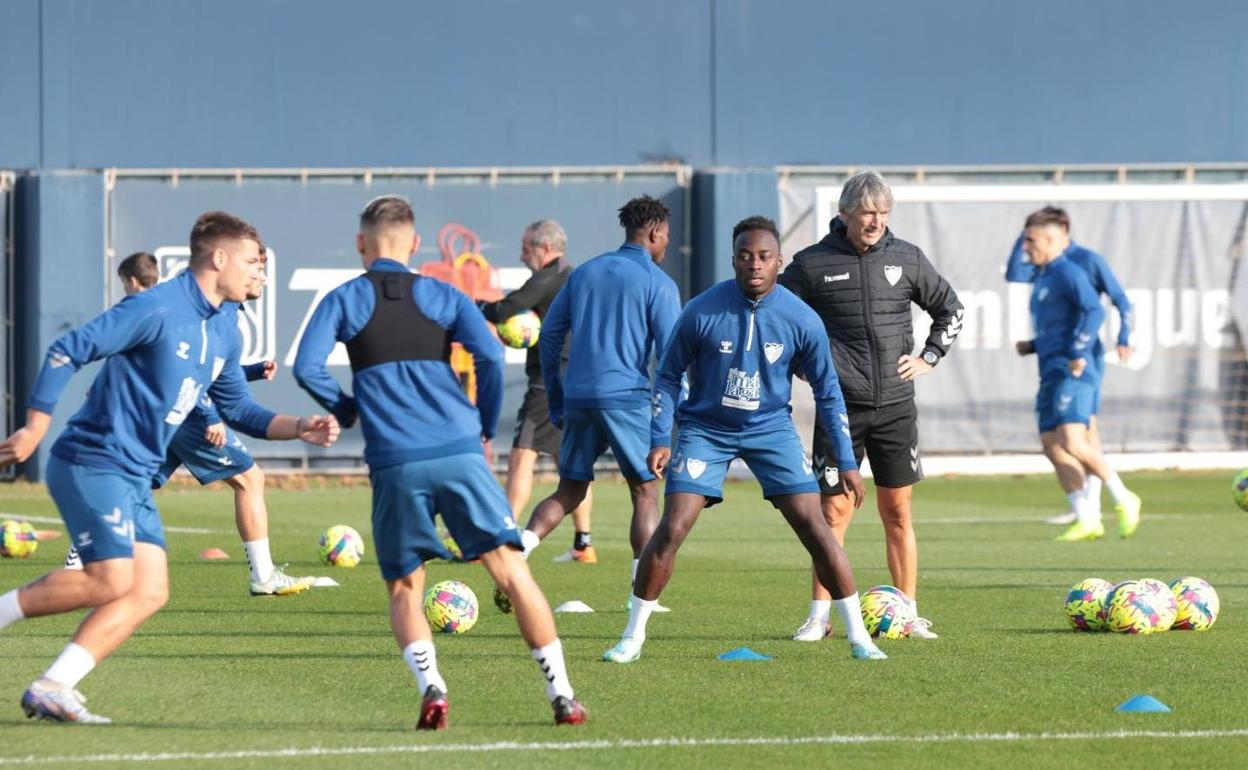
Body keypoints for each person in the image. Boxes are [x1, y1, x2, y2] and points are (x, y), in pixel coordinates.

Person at [0, 212, 340, 724]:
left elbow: (241, 411)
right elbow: (67, 350)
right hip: (94, 459)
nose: (260, 275)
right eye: (252, 263)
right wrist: (34, 427)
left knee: (150, 590)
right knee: (108, 580)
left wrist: (301, 426)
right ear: (218, 258)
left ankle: (53, 685)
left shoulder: (226, 329)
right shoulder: (157, 306)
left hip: (134, 474)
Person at [293, 195, 586, 728]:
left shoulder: (343, 300)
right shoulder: (441, 294)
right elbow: (490, 359)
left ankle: (432, 687)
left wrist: (348, 409)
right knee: (512, 574)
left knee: (407, 587)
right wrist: (480, 427)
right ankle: (562, 694)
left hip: (395, 461)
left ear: (361, 243)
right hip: (457, 451)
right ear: (415, 245)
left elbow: (306, 368)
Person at [602, 215, 884, 664]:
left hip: (770, 429)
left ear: (779, 262)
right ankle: (632, 637)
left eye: (765, 257)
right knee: (672, 527)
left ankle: (859, 638)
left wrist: (847, 461)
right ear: (733, 259)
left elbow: (829, 393)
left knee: (817, 529)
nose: (755, 264)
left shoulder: (801, 319)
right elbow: (668, 376)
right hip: (706, 430)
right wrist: (661, 437)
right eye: (746, 256)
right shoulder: (702, 310)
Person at [779, 171, 964, 641]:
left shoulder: (907, 258)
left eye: (884, 212)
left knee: (898, 512)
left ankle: (910, 613)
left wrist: (928, 357)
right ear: (844, 214)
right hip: (840, 410)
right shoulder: (811, 264)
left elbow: (952, 309)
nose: (877, 221)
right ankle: (819, 617)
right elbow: (779, 321)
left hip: (897, 408)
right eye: (868, 212)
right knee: (833, 516)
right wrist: (808, 369)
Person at [64, 251, 313, 597]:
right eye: (258, 269)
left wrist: (253, 372)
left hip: (169, 413)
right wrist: (209, 414)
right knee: (250, 479)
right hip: (189, 415)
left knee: (138, 484)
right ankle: (264, 575)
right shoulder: (211, 312)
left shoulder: (220, 312)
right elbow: (185, 369)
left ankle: (81, 553)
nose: (263, 278)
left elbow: (209, 373)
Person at [496, 195, 681, 614]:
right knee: (646, 492)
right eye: (666, 236)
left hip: (578, 398)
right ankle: (643, 595)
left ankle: (519, 552)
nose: (666, 243)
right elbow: (670, 361)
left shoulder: (584, 274)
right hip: (627, 399)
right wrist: (664, 428)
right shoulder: (658, 283)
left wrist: (559, 397)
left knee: (569, 490)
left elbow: (549, 335)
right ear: (653, 233)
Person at [1014, 209, 1142, 541]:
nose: (1024, 246)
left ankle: (1124, 496)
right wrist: (1033, 345)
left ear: (1052, 238)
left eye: (1030, 239)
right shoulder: (1042, 276)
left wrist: (1079, 350)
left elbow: (1095, 309)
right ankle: (1087, 517)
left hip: (1076, 367)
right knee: (1050, 443)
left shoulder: (1071, 270)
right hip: (1050, 368)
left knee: (1074, 439)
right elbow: (1057, 325)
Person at [477, 221, 597, 564]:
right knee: (571, 465)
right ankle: (583, 544)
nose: (521, 255)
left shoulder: (547, 278)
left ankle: (504, 537)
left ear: (545, 248)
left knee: (521, 457)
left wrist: (474, 304)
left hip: (549, 384)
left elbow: (505, 310)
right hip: (577, 380)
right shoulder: (575, 276)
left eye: (526, 248)